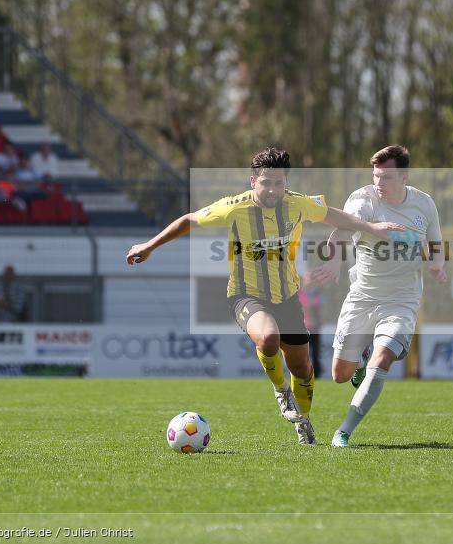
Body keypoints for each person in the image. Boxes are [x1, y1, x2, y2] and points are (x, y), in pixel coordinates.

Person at [125, 147, 405, 445]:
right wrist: (150, 246)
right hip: (246, 296)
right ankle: (281, 390)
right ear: (252, 181)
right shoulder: (233, 208)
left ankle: (303, 422)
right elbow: (188, 220)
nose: (272, 189)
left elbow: (336, 217)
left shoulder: (298, 204)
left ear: (286, 183)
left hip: (287, 297)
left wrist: (372, 226)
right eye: (266, 182)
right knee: (269, 337)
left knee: (304, 368)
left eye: (278, 183)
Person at [309, 145, 447, 448]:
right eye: (375, 176)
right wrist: (333, 259)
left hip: (402, 299)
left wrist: (437, 265)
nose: (378, 183)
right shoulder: (362, 199)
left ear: (404, 177)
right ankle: (358, 362)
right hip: (363, 296)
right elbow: (342, 231)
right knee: (340, 375)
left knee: (382, 357)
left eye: (385, 177)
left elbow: (435, 242)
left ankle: (344, 430)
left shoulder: (424, 205)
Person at [297, 285, 324, 378]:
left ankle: (316, 374)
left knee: (315, 352)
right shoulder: (299, 294)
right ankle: (304, 372)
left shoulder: (316, 294)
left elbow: (318, 309)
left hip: (314, 328)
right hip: (302, 328)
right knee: (303, 352)